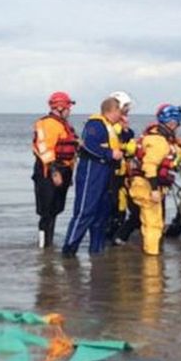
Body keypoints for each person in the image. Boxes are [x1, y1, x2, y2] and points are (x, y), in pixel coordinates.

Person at [61, 96, 124, 256]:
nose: (121, 115)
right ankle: (69, 250)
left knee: (102, 213)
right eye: (120, 111)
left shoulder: (111, 127)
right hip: (92, 171)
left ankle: (97, 250)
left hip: (106, 173)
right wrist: (109, 153)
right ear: (112, 110)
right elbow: (88, 144)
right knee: (85, 211)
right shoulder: (95, 124)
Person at [128, 104, 181, 255]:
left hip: (142, 185)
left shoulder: (157, 138)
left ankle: (150, 254)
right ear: (172, 123)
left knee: (151, 223)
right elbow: (149, 166)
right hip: (147, 186)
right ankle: (152, 258)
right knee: (153, 225)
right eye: (177, 124)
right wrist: (154, 190)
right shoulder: (159, 142)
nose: (177, 128)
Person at [31, 91, 79, 248]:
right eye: (68, 107)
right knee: (47, 211)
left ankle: (49, 244)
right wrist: (54, 171)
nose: (69, 111)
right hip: (48, 171)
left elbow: (73, 148)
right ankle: (43, 246)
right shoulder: (48, 124)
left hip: (63, 170)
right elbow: (44, 149)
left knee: (55, 209)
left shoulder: (64, 125)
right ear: (60, 107)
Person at [105, 91, 136, 243]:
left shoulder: (124, 129)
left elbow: (131, 148)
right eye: (125, 108)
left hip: (123, 173)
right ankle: (109, 237)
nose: (127, 112)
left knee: (122, 206)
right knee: (113, 206)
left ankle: (117, 236)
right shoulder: (111, 127)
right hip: (112, 174)